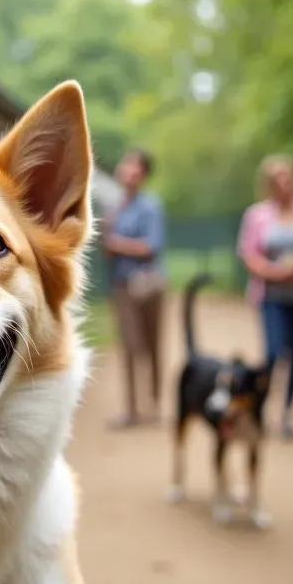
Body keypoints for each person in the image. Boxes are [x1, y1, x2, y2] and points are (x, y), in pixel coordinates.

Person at [237, 155, 293, 438]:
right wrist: (273, 272)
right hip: (271, 298)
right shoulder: (257, 215)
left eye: (288, 178)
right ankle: (260, 409)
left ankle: (288, 415)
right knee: (274, 354)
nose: (284, 184)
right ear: (269, 185)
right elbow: (248, 254)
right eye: (277, 180)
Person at [102, 149, 167, 428]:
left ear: (144, 175)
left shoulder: (151, 206)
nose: (130, 171)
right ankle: (131, 410)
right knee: (129, 347)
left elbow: (151, 246)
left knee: (152, 345)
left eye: (136, 167)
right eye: (127, 165)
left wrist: (117, 244)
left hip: (149, 286)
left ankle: (154, 405)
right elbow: (106, 249)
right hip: (122, 286)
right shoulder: (112, 207)